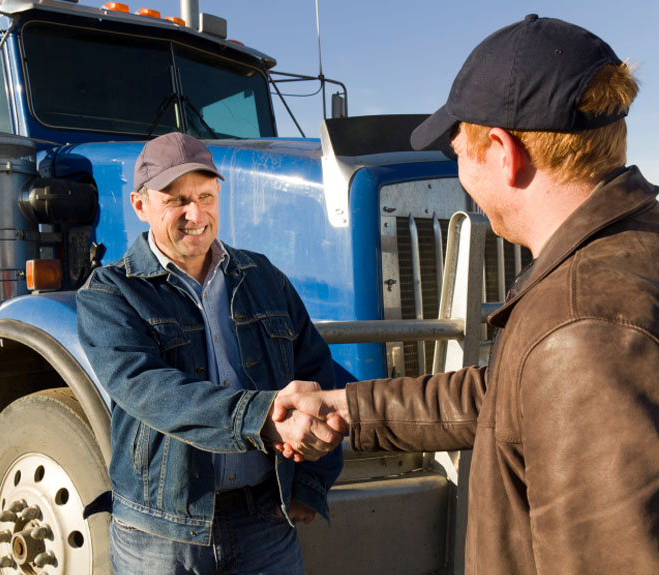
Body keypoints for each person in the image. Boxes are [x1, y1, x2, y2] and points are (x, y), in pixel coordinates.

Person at [272, 14, 659, 575]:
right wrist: (347, 407)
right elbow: (512, 397)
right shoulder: (625, 248)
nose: (459, 172)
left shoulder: (583, 329)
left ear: (504, 152)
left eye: (458, 151)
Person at [76, 132, 344, 574]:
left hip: (265, 521)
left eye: (205, 195)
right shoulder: (110, 293)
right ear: (140, 205)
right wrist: (262, 417)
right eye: (175, 200)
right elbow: (149, 389)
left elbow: (317, 370)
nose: (195, 214)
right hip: (160, 535)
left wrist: (311, 484)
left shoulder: (264, 277)